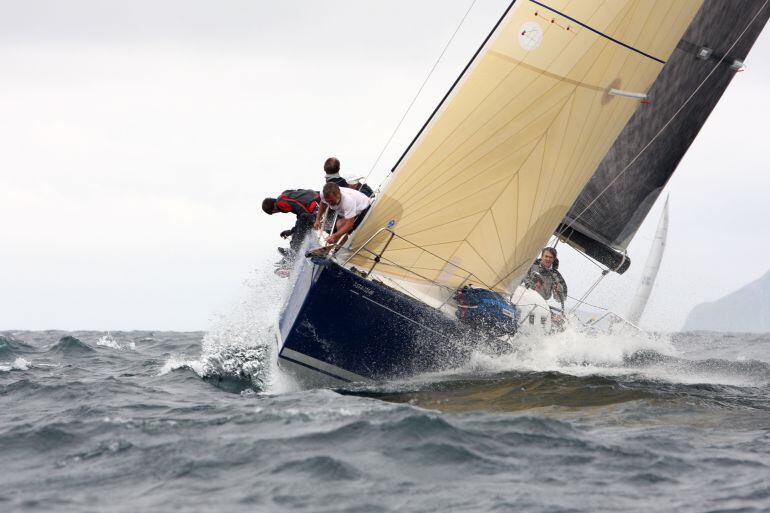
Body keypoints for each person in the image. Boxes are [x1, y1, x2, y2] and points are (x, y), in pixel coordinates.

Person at [261, 189, 320, 258]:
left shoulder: (280, 203)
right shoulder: (286, 195)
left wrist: (313, 221)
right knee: (302, 220)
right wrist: (292, 231)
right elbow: (300, 219)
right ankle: (294, 249)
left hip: (317, 206)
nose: (278, 212)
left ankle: (293, 251)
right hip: (319, 200)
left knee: (303, 218)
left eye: (274, 212)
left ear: (273, 209)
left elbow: (300, 209)